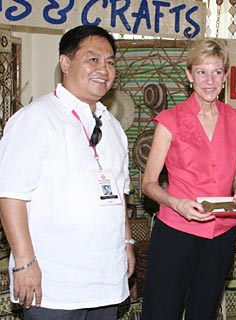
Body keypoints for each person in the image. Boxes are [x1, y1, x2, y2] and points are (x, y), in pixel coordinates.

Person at [0, 25, 135, 319]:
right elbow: (10, 196)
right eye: (93, 59)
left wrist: (126, 242)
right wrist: (24, 262)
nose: (104, 69)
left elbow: (119, 194)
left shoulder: (111, 126)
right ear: (65, 63)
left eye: (110, 61)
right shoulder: (35, 119)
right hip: (54, 284)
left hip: (105, 280)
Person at [140, 38, 236, 320]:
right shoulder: (170, 120)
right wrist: (176, 203)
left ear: (225, 76)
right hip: (176, 231)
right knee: (160, 311)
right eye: (201, 71)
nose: (209, 80)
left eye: (217, 72)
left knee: (203, 311)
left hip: (221, 234)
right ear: (189, 75)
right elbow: (149, 183)